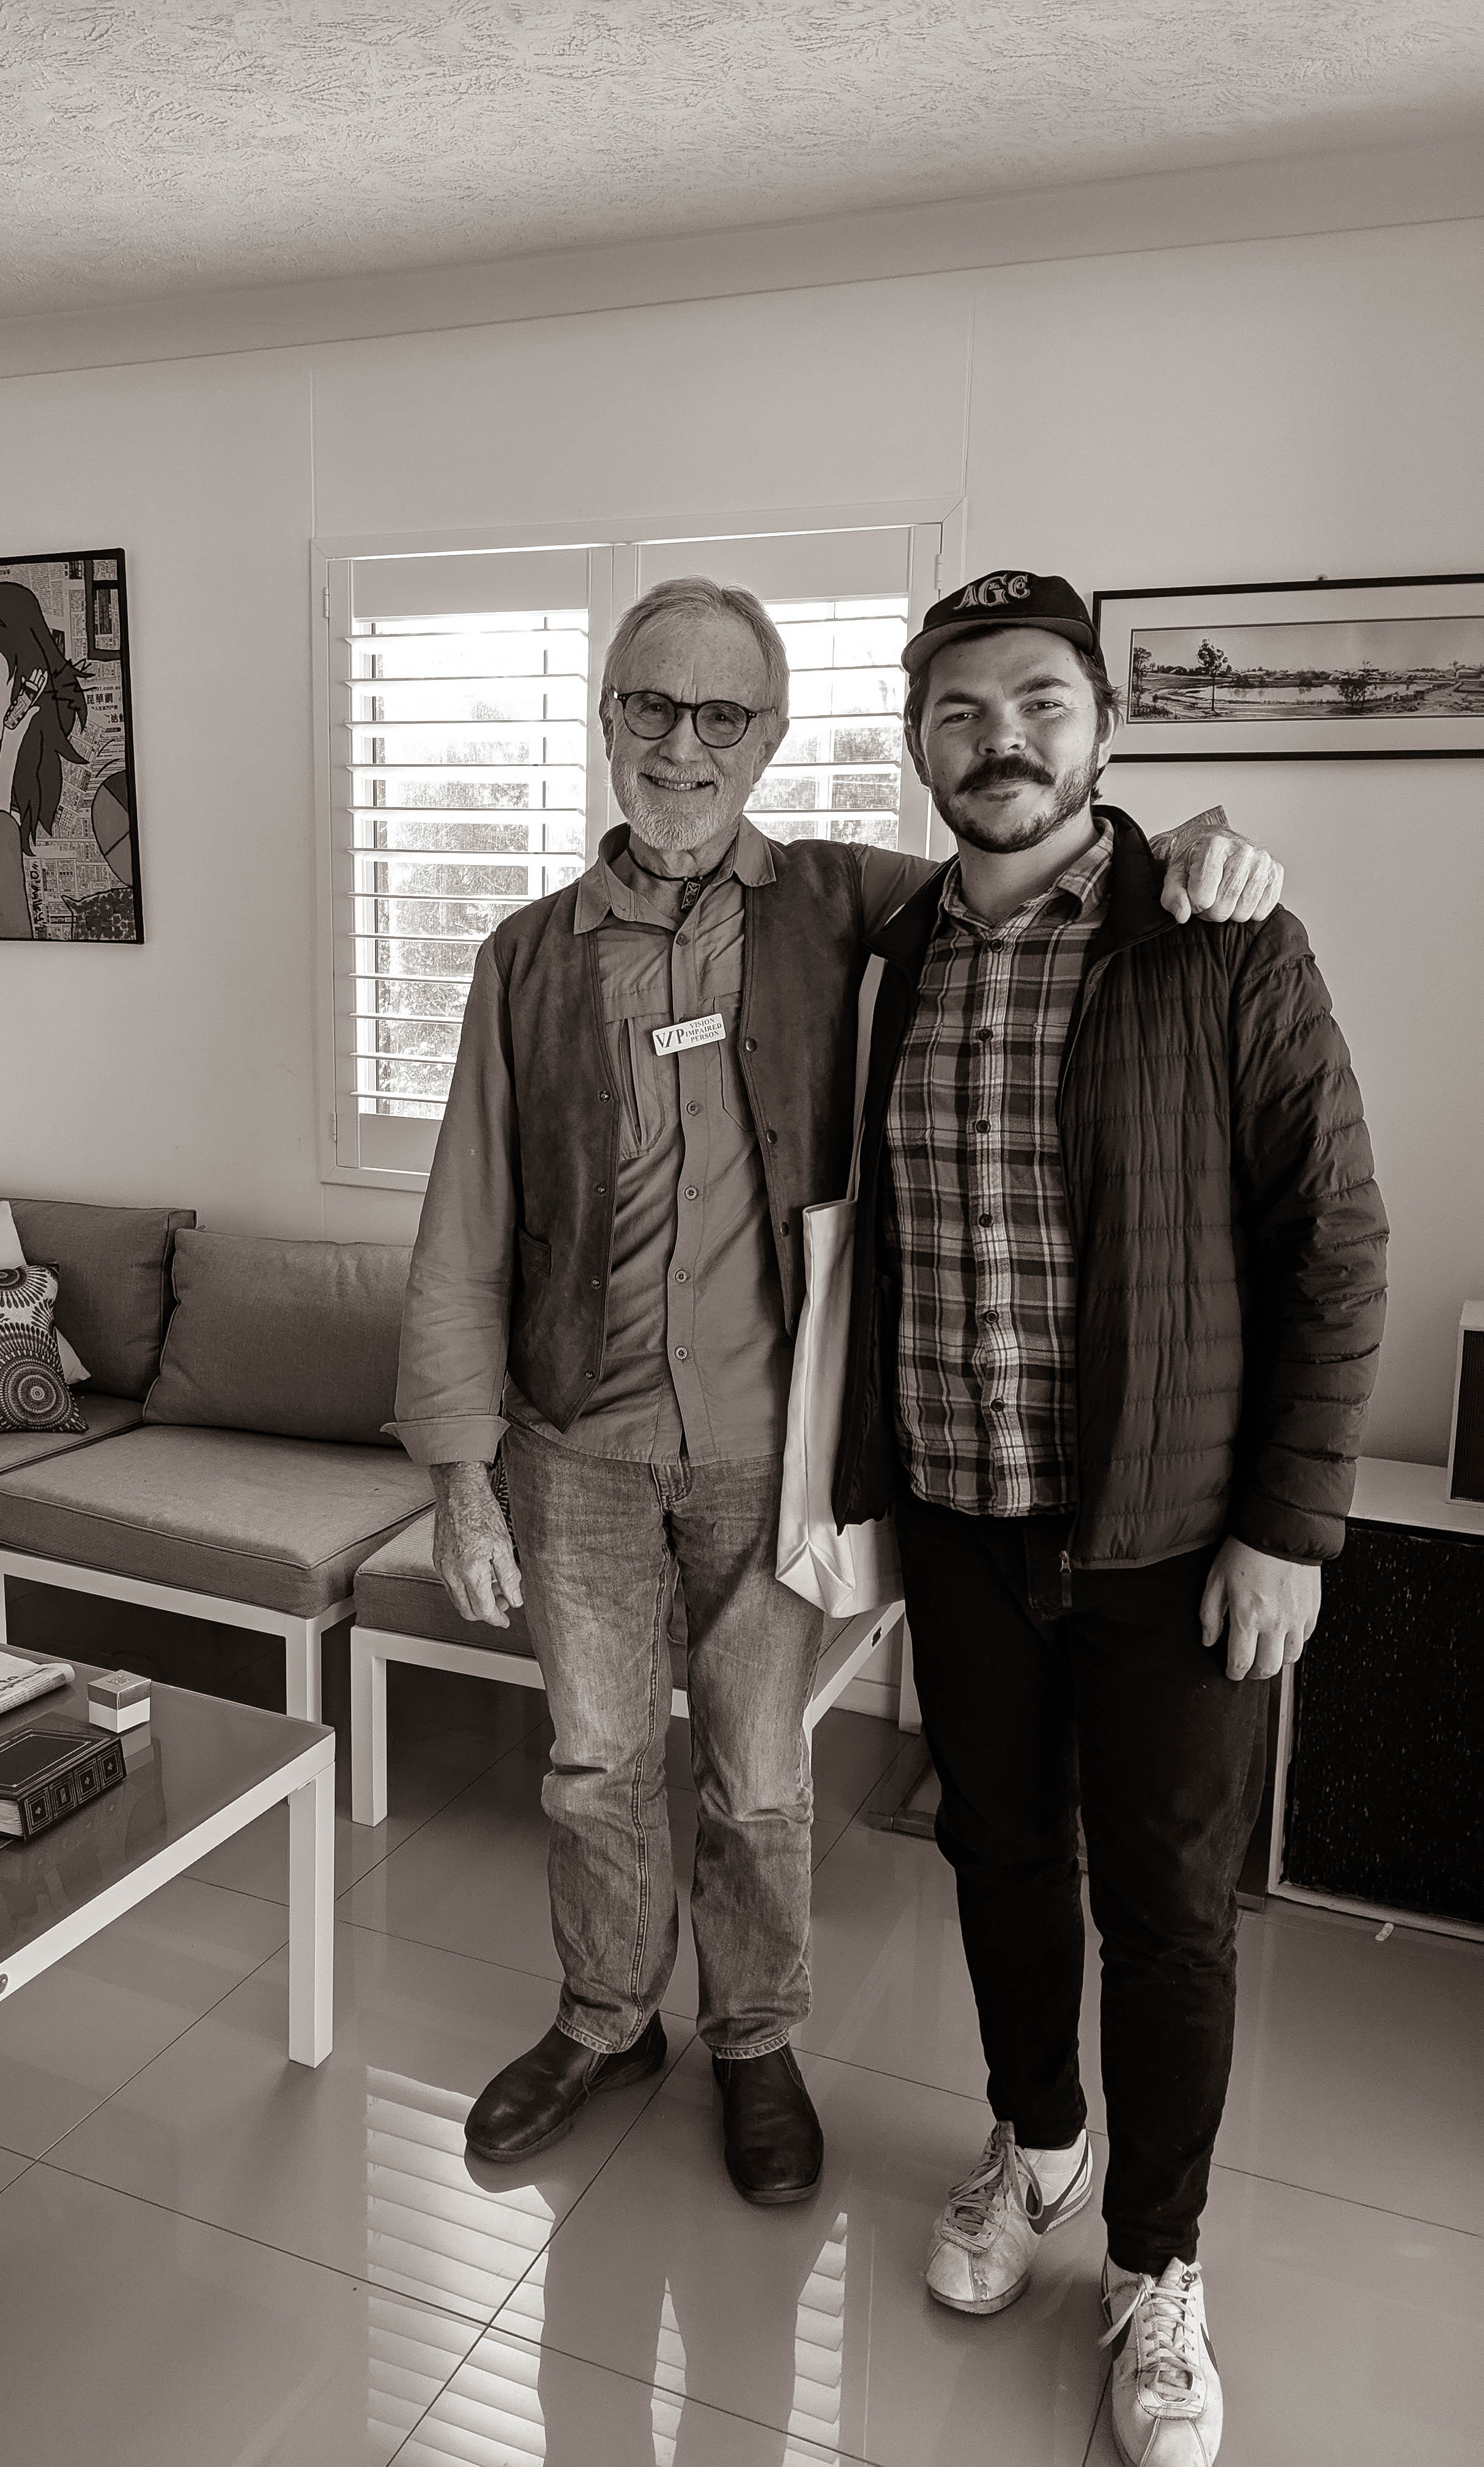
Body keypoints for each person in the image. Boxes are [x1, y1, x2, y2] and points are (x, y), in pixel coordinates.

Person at [390, 573, 1281, 2212]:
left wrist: (1200, 842)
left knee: (759, 1775)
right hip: (572, 1452)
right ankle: (605, 2017)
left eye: (720, 714)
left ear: (774, 738)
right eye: (649, 707)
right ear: (605, 723)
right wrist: (457, 1471)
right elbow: (460, 1219)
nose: (681, 744)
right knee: (591, 1763)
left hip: (777, 1452)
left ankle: (751, 2036)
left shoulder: (849, 908)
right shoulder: (524, 959)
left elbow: (1044, 862)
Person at [832, 571, 1387, 2465]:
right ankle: (1036, 2148)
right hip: (960, 1516)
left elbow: (1334, 1245)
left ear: (1103, 728)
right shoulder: (889, 950)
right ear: (917, 743)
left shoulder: (1222, 941)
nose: (1003, 738)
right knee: (995, 1854)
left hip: (1168, 1538)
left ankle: (1160, 2269)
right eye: (963, 708)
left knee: (1166, 1913)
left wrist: (1287, 1529)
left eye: (1042, 702)